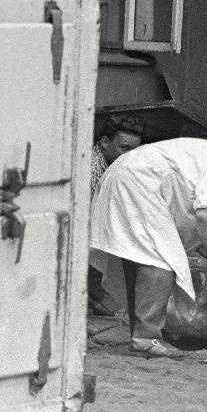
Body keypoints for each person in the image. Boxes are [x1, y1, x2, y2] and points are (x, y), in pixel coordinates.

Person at [90, 132, 207, 358]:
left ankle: (141, 334)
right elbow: (206, 216)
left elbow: (185, 215)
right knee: (161, 258)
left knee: (139, 258)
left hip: (124, 175)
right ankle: (146, 337)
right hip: (135, 181)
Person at [88, 115, 145, 316]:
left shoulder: (116, 164)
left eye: (135, 150)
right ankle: (93, 292)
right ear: (105, 142)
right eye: (125, 148)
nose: (131, 156)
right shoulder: (91, 169)